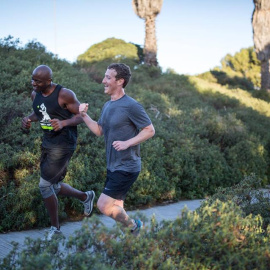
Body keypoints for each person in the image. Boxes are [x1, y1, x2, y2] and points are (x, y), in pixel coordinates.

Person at [79, 63, 155, 234]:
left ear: (120, 81)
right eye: (104, 76)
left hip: (127, 166)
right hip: (113, 165)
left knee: (103, 205)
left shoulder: (131, 105)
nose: (103, 81)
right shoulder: (107, 105)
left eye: (108, 77)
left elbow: (150, 130)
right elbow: (99, 130)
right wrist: (83, 116)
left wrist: (128, 143)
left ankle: (135, 227)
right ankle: (130, 237)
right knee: (117, 206)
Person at [21, 65, 95, 240]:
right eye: (32, 79)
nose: (33, 83)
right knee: (52, 186)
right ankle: (86, 196)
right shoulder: (35, 94)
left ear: (49, 80)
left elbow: (81, 116)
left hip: (64, 144)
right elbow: (40, 112)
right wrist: (28, 119)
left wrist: (63, 123)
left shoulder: (64, 94)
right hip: (48, 142)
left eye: (37, 81)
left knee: (44, 186)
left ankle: (56, 230)